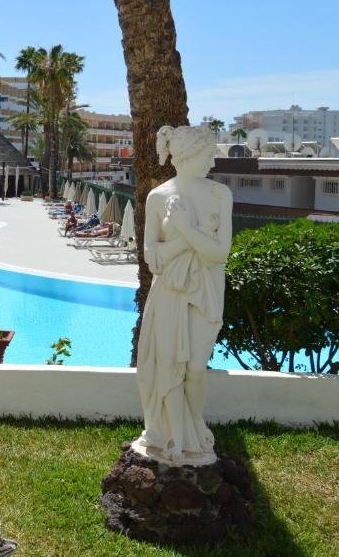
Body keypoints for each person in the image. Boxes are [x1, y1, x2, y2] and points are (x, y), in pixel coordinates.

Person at [134, 125, 232, 466]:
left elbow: (219, 254)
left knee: (195, 368)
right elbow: (153, 258)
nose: (212, 161)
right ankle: (175, 436)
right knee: (169, 365)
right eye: (208, 154)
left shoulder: (220, 195)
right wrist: (190, 236)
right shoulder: (158, 197)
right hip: (170, 293)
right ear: (190, 155)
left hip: (206, 290)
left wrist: (187, 228)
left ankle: (196, 424)